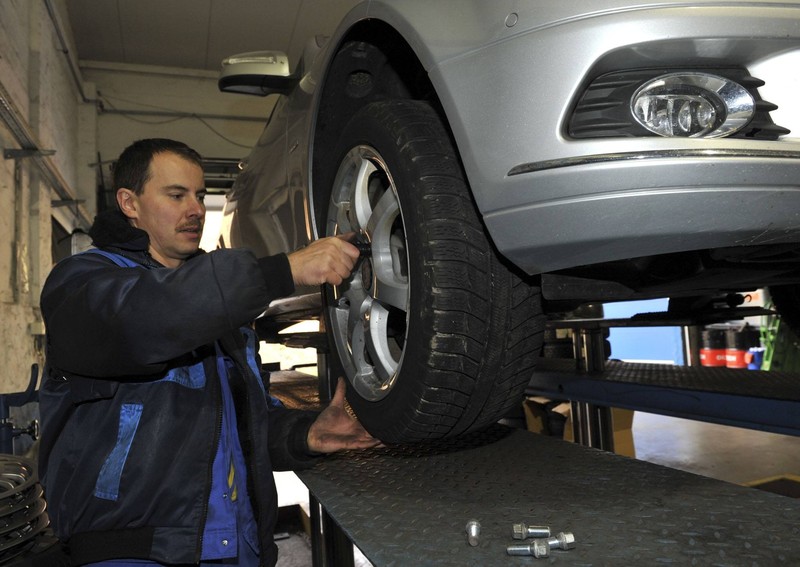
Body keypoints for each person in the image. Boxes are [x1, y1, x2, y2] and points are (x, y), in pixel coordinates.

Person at [38, 138, 380, 566]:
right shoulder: (82, 282)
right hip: (134, 553)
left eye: (200, 196)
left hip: (238, 549)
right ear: (129, 202)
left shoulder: (222, 311)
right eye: (176, 194)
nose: (196, 209)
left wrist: (304, 433)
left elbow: (236, 422)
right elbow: (146, 320)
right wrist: (282, 270)